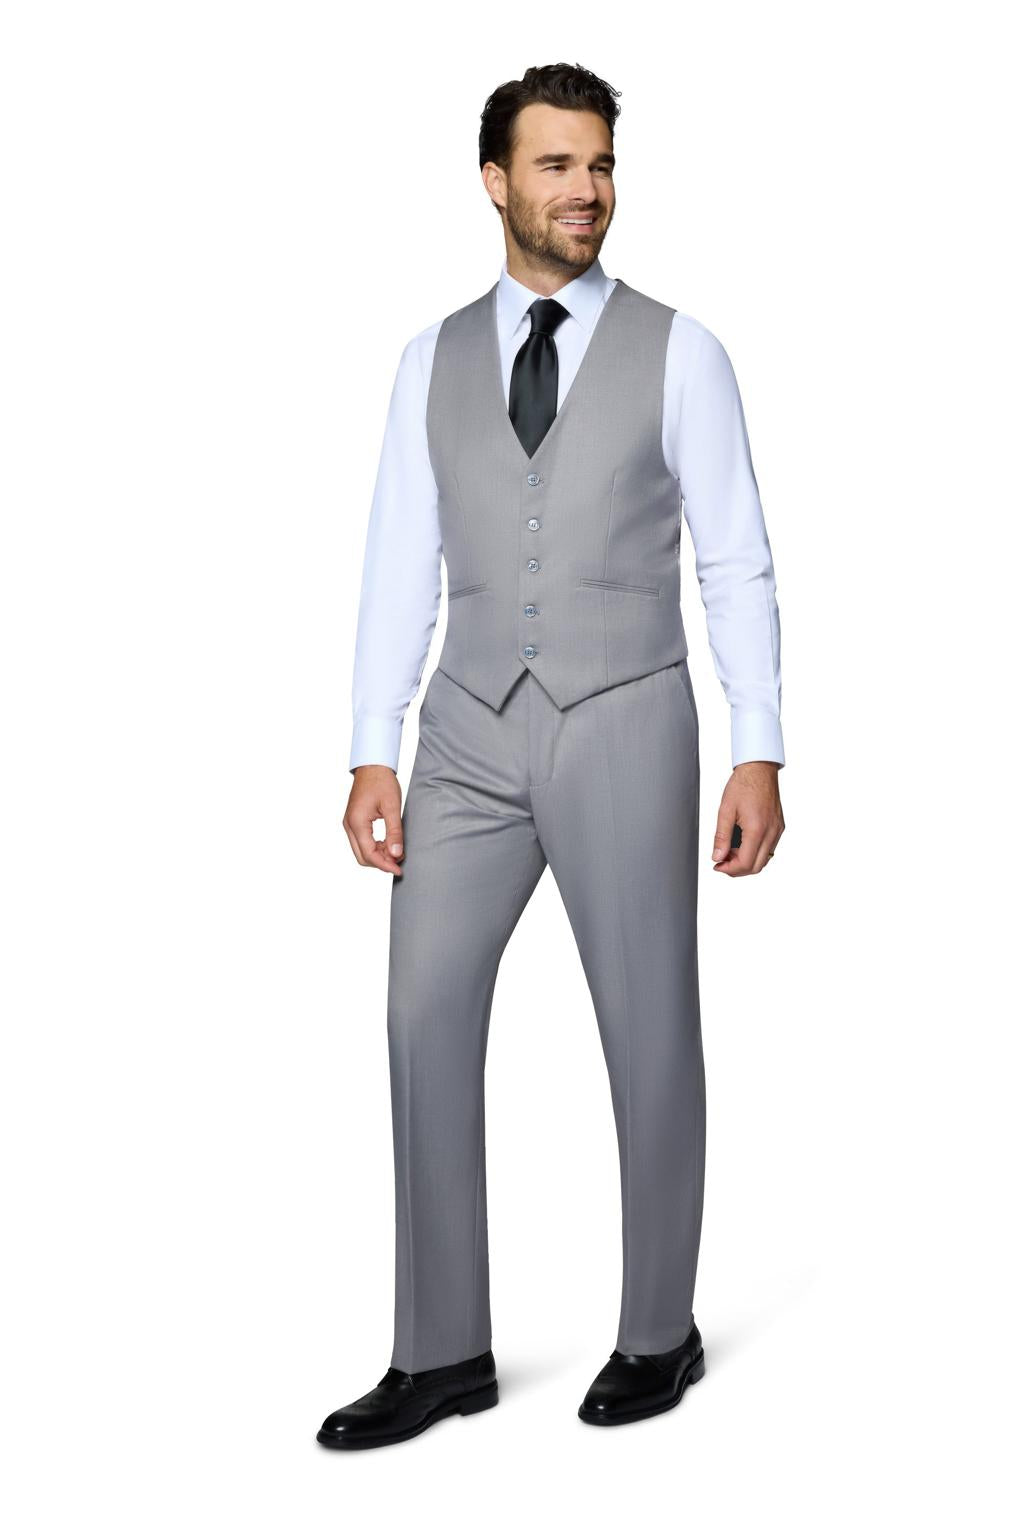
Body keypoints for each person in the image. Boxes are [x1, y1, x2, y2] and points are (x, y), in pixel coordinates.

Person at [318, 61, 786, 1451]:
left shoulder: (684, 352)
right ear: (496, 182)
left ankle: (658, 1329)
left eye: (602, 165)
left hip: (627, 715)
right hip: (464, 729)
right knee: (420, 1017)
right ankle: (440, 1349)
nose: (587, 190)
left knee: (648, 1027)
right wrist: (372, 747)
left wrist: (758, 745)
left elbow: (738, 559)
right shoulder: (429, 359)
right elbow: (397, 558)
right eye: (558, 165)